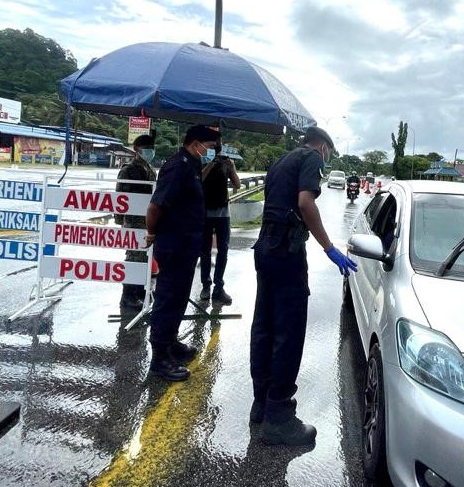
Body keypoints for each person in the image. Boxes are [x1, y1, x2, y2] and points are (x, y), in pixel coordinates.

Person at [250, 126, 358, 445]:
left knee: (264, 327)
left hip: (265, 249)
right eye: (329, 152)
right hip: (287, 252)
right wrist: (328, 247)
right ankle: (279, 417)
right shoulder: (312, 158)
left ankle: (262, 404)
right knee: (289, 332)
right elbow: (305, 203)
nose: (326, 158)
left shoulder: (281, 161)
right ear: (323, 146)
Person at [144, 125, 221, 382]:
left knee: (178, 298)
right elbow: (155, 206)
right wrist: (151, 233)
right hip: (174, 245)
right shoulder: (178, 166)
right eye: (209, 147)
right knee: (168, 299)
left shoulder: (192, 164)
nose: (210, 152)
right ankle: (159, 358)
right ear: (195, 143)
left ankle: (170, 343)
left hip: (186, 245)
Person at [114, 132, 157, 311]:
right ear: (137, 149)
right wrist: (120, 219)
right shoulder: (128, 170)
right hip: (133, 221)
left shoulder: (150, 169)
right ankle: (127, 296)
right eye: (147, 149)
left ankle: (139, 291)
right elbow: (120, 196)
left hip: (147, 221)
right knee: (133, 257)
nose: (150, 152)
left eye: (152, 149)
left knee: (145, 257)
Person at [198, 140, 241, 305]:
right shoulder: (201, 160)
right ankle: (205, 286)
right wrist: (210, 164)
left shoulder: (227, 163)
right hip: (205, 212)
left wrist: (232, 168)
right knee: (205, 251)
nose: (216, 152)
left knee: (223, 250)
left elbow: (237, 184)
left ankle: (219, 287)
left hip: (223, 213)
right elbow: (198, 180)